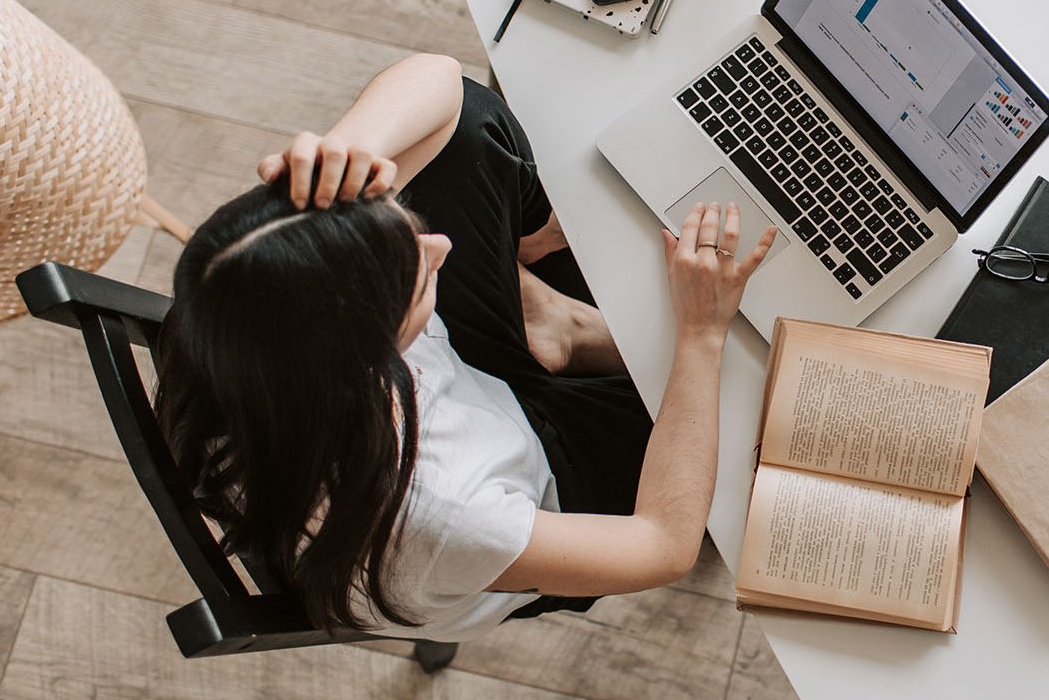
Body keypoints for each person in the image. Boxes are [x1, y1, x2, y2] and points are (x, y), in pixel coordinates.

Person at [154, 53, 775, 640]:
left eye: (403, 229)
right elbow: (662, 546)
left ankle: (551, 325)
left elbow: (444, 85)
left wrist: (352, 147)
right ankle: (560, 326)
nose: (439, 249)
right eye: (414, 272)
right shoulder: (446, 515)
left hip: (453, 400)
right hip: (542, 486)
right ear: (372, 359)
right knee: (748, 408)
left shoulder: (235, 306)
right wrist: (700, 332)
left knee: (472, 127)